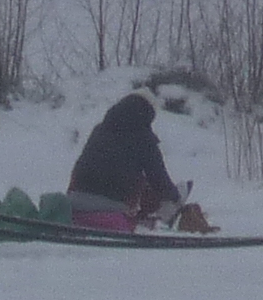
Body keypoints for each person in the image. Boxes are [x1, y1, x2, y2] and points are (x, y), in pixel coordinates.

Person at [64, 91, 182, 232]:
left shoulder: (99, 130)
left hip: (75, 204)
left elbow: (79, 168)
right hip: (110, 209)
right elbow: (159, 180)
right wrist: (176, 198)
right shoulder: (145, 139)